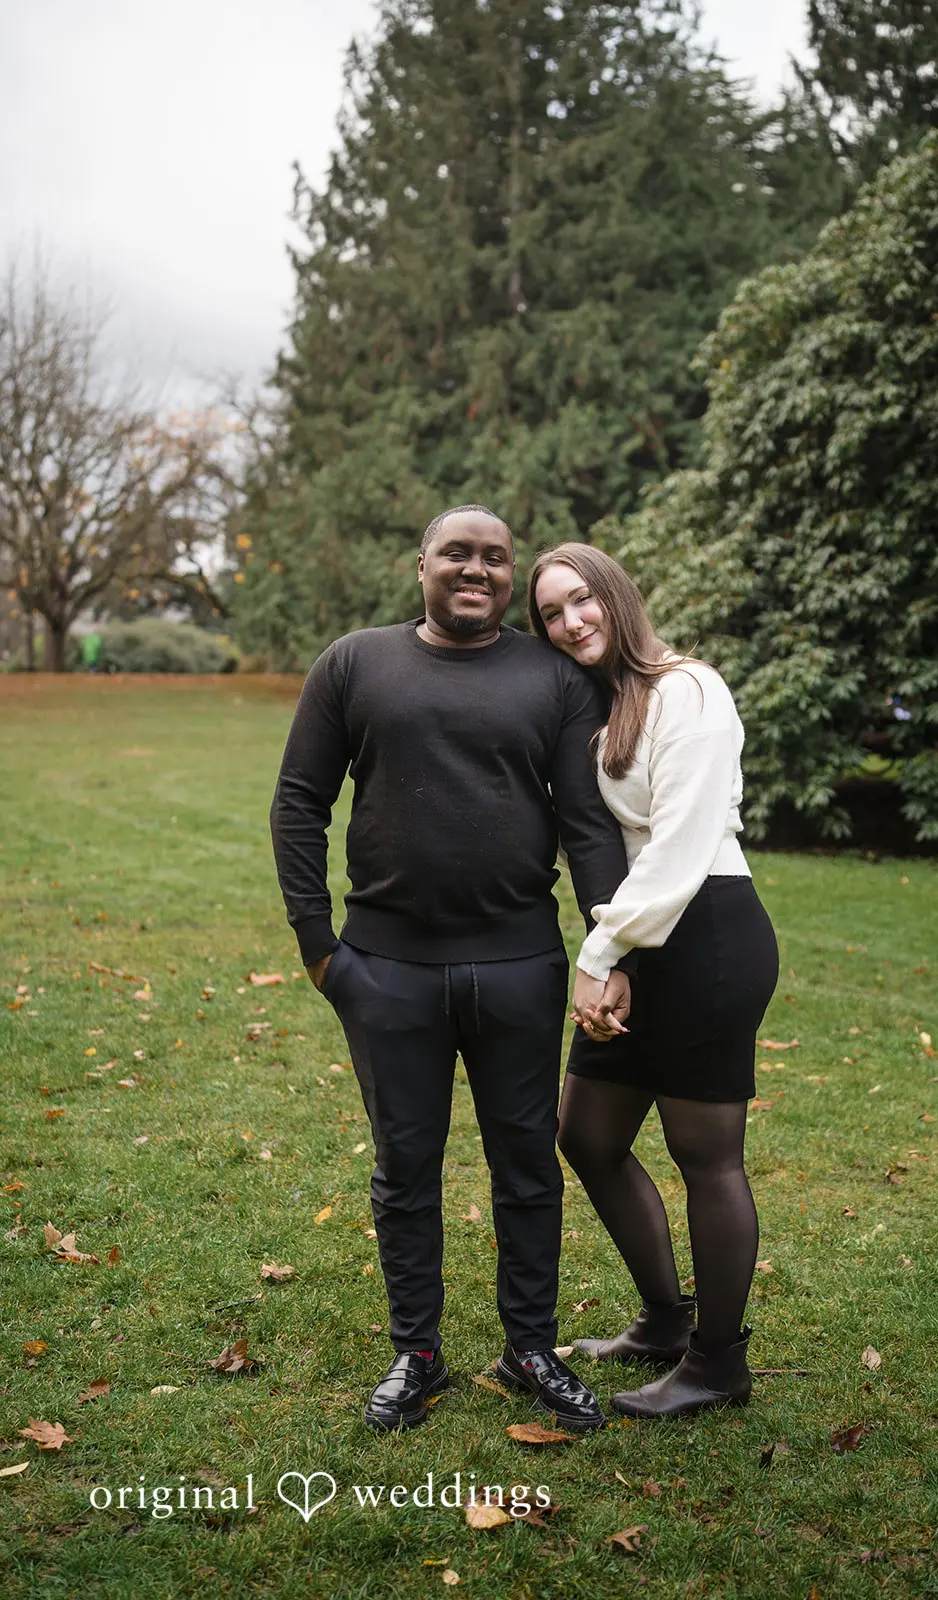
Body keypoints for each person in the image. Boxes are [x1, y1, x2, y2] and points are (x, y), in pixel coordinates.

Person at [269, 506, 633, 1434]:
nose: (478, 570)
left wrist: (607, 947)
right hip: (385, 969)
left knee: (526, 1166)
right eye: (458, 554)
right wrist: (321, 951)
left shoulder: (552, 676)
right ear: (420, 565)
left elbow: (588, 826)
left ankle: (530, 1348)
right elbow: (298, 803)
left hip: (518, 965)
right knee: (405, 1168)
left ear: (510, 575)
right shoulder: (354, 663)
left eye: (496, 558)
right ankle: (417, 1355)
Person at [528, 543, 779, 1419]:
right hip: (646, 933)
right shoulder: (613, 705)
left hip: (707, 929)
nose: (569, 623)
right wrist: (622, 953)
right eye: (551, 614)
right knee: (587, 1135)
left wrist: (599, 957)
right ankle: (667, 1321)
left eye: (580, 601)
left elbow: (675, 846)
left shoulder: (688, 689)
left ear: (615, 595)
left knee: (705, 1155)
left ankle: (717, 1364)